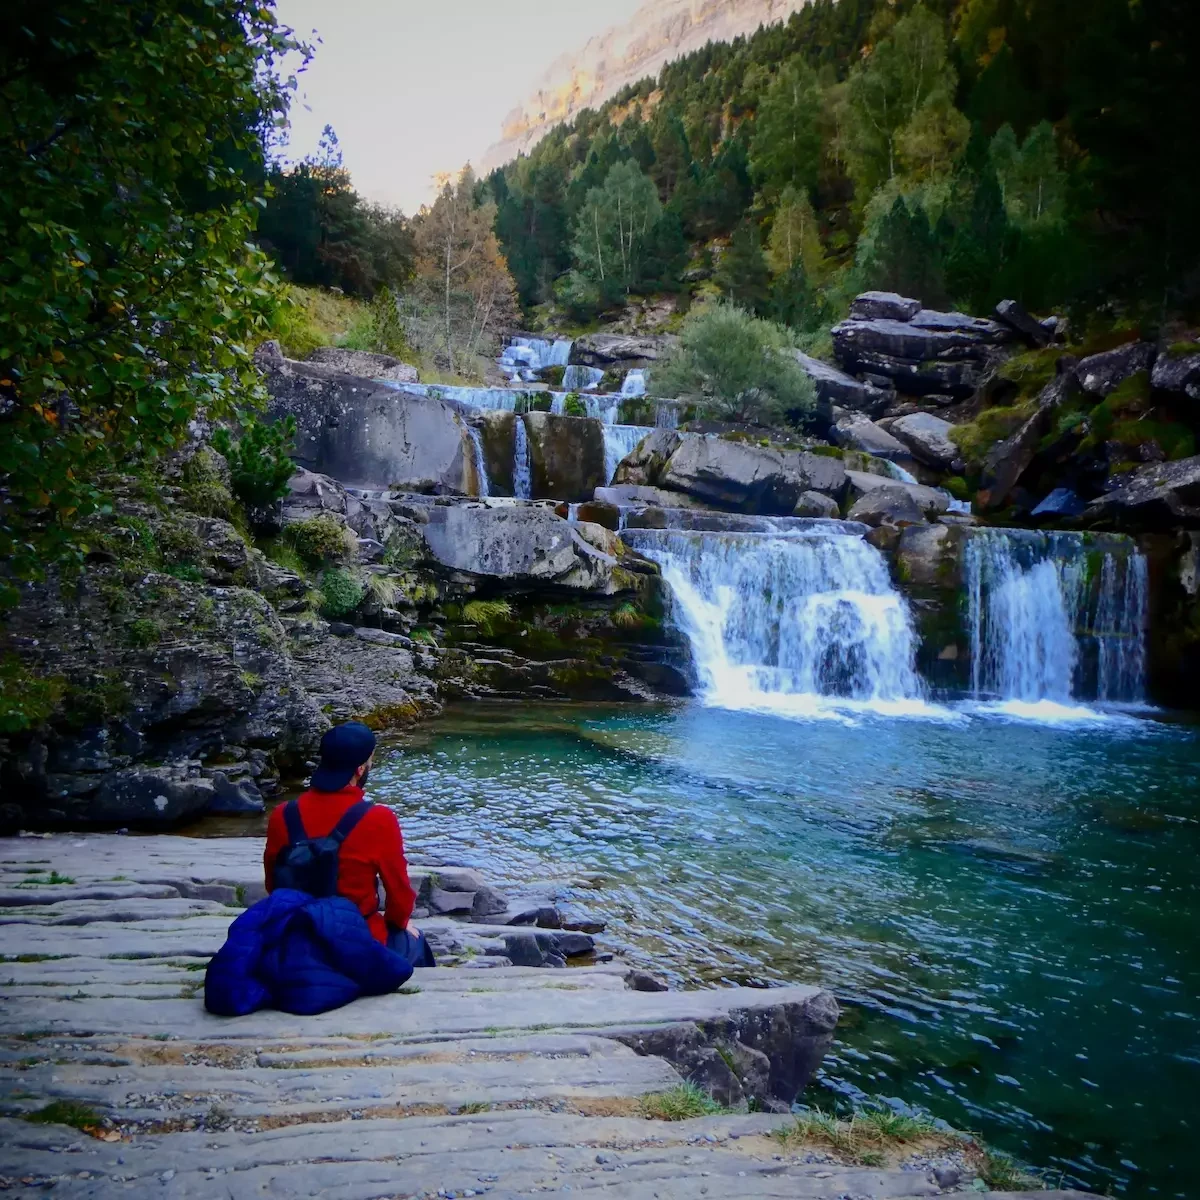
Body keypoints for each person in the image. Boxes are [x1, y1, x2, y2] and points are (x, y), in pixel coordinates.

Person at [263, 721, 434, 967]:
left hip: (295, 935)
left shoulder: (283, 814)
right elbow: (399, 894)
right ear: (360, 769)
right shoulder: (379, 819)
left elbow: (273, 883)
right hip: (356, 941)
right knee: (415, 943)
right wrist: (400, 922)